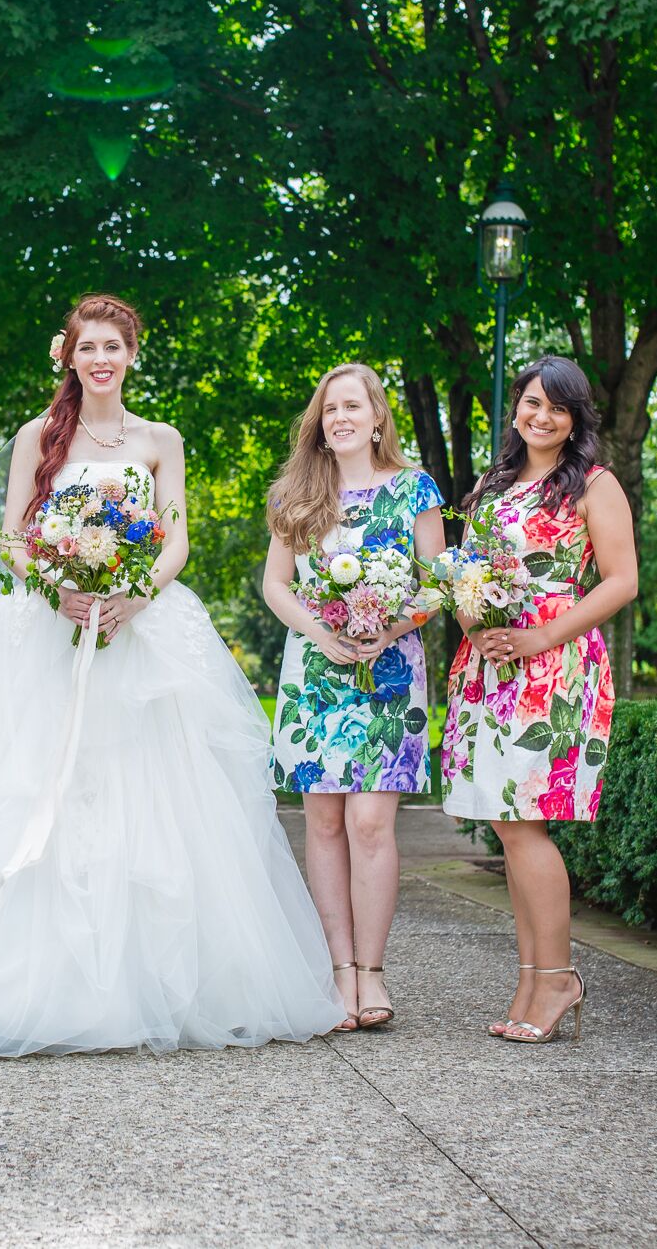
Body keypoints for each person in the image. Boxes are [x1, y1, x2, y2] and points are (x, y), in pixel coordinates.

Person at [0, 294, 346, 1056]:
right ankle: (9, 981)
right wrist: (56, 586)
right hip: (45, 628)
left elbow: (175, 540)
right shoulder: (41, 435)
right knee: (30, 788)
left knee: (147, 792)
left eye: (112, 346)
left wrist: (139, 591)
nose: (99, 358)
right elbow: (13, 534)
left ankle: (148, 982)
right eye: (86, 346)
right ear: (67, 355)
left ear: (132, 354)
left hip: (138, 628)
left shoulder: (162, 438)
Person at [443, 355, 637, 1044]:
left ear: (576, 416)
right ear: (517, 408)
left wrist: (537, 637)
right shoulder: (492, 485)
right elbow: (466, 573)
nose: (541, 416)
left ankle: (558, 978)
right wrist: (481, 626)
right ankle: (531, 977)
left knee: (527, 823)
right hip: (492, 666)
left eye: (557, 406)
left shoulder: (593, 483)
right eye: (531, 402)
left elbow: (621, 581)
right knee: (506, 823)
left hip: (554, 669)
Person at [261, 363, 445, 1031]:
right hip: (315, 675)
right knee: (326, 824)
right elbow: (276, 585)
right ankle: (338, 973)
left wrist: (387, 625)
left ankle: (373, 971)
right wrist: (321, 631)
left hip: (389, 676)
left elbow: (436, 583)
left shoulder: (414, 488)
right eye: (329, 408)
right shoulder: (296, 495)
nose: (339, 416)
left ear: (376, 417)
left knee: (371, 824)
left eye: (352, 405)